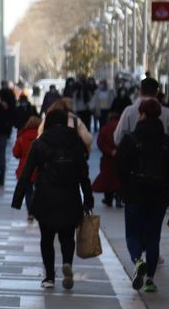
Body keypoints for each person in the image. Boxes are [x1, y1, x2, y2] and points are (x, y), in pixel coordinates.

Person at [12, 108, 93, 290]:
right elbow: (84, 174)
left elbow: (27, 172)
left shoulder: (41, 142)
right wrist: (88, 198)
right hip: (70, 196)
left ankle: (49, 277)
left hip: (45, 197)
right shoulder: (75, 142)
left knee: (46, 238)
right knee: (67, 236)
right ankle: (67, 264)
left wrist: (18, 199)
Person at [116, 99, 169, 293]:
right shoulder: (167, 142)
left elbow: (120, 166)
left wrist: (126, 185)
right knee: (153, 235)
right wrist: (165, 181)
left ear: (142, 114)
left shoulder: (130, 139)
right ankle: (150, 279)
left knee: (133, 233)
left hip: (135, 194)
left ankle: (138, 260)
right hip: (158, 195)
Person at [115, 76, 169, 145]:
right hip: (160, 155)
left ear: (140, 91)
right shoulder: (168, 113)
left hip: (135, 154)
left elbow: (117, 138)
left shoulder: (129, 111)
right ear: (156, 92)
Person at [12, 112, 41, 221]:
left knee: (28, 192)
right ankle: (38, 210)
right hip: (39, 168)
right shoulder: (42, 136)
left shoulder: (22, 136)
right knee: (39, 191)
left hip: (25, 168)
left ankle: (30, 213)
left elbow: (15, 153)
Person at [93, 107, 123, 208]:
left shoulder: (105, 128)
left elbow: (100, 143)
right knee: (119, 179)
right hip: (120, 158)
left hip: (108, 158)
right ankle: (119, 199)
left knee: (107, 179)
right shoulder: (122, 127)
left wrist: (110, 151)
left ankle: (108, 199)